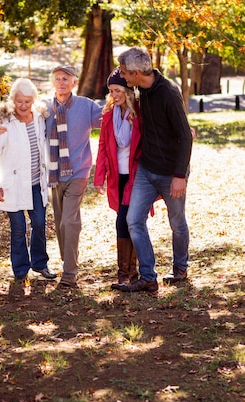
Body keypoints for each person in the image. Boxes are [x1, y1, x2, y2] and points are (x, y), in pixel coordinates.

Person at [0, 65, 102, 287]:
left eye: (66, 79)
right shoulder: (44, 109)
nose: (61, 82)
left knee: (66, 222)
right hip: (52, 176)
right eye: (57, 79)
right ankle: (62, 261)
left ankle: (69, 272)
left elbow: (110, 119)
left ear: (74, 82)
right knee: (60, 223)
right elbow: (17, 109)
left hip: (78, 172)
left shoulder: (86, 106)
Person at [114, 47, 194, 292]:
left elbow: (185, 136)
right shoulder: (140, 89)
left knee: (176, 222)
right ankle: (148, 277)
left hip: (172, 172)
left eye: (126, 73)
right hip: (146, 170)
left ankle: (180, 269)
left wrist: (179, 176)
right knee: (133, 220)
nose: (123, 77)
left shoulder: (169, 93)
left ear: (137, 73)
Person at [0, 78, 57, 283]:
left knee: (40, 223)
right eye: (19, 101)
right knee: (18, 228)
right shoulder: (5, 123)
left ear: (33, 101)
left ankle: (40, 264)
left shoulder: (40, 117)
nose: (23, 106)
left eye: (27, 101)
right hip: (13, 186)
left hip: (36, 183)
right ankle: (20, 270)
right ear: (12, 101)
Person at [93, 67, 143, 289]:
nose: (113, 95)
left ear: (128, 90)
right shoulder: (108, 114)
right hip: (118, 176)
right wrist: (99, 176)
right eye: (111, 90)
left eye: (117, 90)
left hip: (138, 175)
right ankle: (131, 271)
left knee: (126, 220)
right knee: (128, 220)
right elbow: (103, 145)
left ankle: (125, 273)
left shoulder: (140, 112)